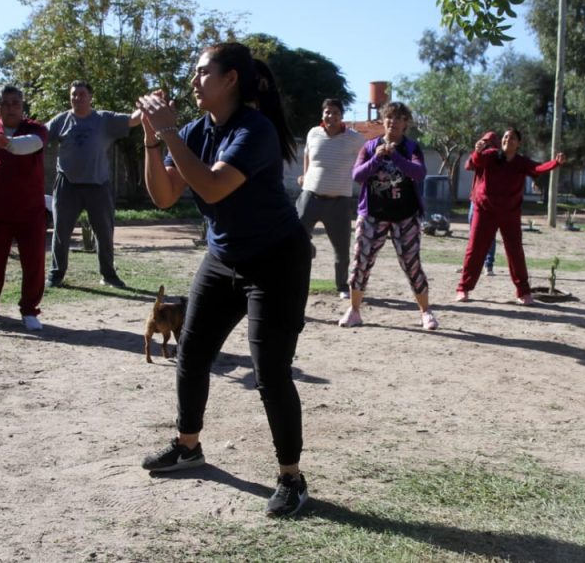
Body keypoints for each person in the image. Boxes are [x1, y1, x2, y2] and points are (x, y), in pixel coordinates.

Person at [135, 42, 313, 518]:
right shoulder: (194, 131)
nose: (193, 81)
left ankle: (291, 478)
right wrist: (155, 139)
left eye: (201, 73)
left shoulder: (255, 131)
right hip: (224, 257)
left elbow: (213, 184)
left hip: (276, 261)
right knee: (192, 352)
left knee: (270, 371)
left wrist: (169, 131)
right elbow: (165, 195)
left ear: (230, 78)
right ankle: (187, 446)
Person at [338, 101, 438, 330]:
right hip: (373, 214)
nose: (392, 122)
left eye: (398, 118)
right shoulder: (370, 146)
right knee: (360, 262)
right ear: (383, 121)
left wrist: (396, 158)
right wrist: (377, 158)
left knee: (412, 265)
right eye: (388, 118)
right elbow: (357, 175)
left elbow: (419, 173)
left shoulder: (411, 148)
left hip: (405, 215)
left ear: (406, 124)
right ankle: (354, 311)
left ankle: (426, 312)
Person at [45, 80, 141, 289]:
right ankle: (56, 274)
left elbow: (133, 120)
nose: (77, 98)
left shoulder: (104, 119)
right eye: (73, 95)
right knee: (61, 232)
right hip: (67, 184)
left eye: (81, 94)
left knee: (105, 232)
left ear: (90, 97)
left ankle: (109, 275)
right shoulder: (61, 120)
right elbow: (40, 137)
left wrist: (148, 106)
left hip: (98, 184)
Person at [456, 127, 565, 305]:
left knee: (515, 252)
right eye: (506, 137)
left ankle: (523, 292)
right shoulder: (491, 155)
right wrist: (477, 150)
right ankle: (463, 289)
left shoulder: (521, 162)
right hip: (485, 211)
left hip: (510, 213)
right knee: (475, 250)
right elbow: (475, 161)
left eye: (513, 138)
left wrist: (555, 163)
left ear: (519, 143)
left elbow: (537, 168)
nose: (508, 139)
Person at [0, 84, 49, 332]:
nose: (11, 107)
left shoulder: (36, 128)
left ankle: (29, 311)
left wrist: (10, 143)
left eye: (16, 102)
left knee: (34, 264)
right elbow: (1, 152)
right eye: (5, 103)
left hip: (31, 211)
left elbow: (32, 144)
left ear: (23, 105)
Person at [296, 98, 362, 299]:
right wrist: (305, 175)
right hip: (310, 197)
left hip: (339, 202)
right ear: (322, 115)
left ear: (342, 116)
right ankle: (295, 280)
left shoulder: (355, 139)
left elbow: (365, 159)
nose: (330, 116)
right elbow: (307, 154)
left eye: (335, 112)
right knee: (294, 237)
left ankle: (342, 286)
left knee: (341, 248)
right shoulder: (313, 133)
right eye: (327, 112)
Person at [464, 130, 499, 276]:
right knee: (473, 233)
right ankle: (471, 265)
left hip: (490, 201)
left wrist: (482, 152)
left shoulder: (496, 156)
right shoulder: (479, 155)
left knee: (489, 233)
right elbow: (468, 166)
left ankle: (488, 264)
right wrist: (476, 151)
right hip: (475, 200)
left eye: (488, 143)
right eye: (484, 142)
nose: (486, 145)